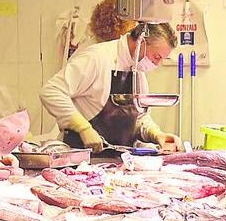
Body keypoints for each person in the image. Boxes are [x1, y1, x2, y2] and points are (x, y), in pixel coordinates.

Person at [40, 22, 183, 153]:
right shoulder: (96, 58)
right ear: (142, 43)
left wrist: (157, 134)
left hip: (119, 163)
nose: (157, 64)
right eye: (156, 57)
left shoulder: (138, 71)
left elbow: (140, 117)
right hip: (81, 160)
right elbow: (51, 91)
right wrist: (83, 128)